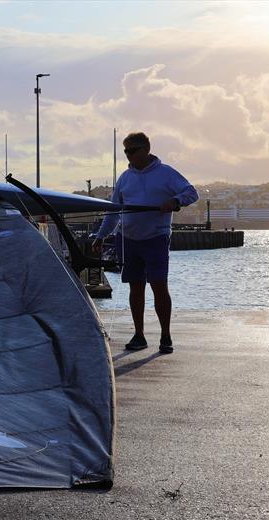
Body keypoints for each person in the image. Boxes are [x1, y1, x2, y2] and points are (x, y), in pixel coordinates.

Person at [92, 132, 198, 354]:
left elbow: (191, 192)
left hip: (156, 238)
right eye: (126, 151)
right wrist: (101, 236)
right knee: (136, 287)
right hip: (128, 239)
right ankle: (139, 335)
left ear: (146, 149)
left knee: (159, 286)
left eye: (132, 151)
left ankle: (165, 336)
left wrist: (175, 201)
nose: (128, 155)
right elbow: (113, 212)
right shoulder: (124, 178)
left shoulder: (166, 173)